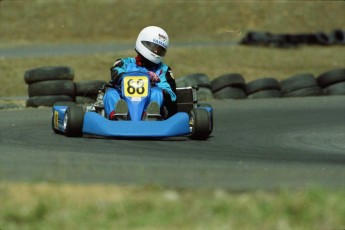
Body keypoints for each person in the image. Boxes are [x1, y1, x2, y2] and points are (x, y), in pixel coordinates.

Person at [103, 26, 177, 121]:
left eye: (160, 50)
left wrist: (155, 83)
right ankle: (119, 116)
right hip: (125, 100)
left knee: (157, 93)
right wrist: (125, 79)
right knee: (110, 94)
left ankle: (149, 116)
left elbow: (172, 96)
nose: (156, 52)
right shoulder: (124, 63)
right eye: (154, 47)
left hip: (147, 106)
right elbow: (116, 73)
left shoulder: (164, 70)